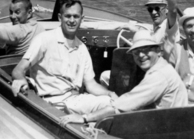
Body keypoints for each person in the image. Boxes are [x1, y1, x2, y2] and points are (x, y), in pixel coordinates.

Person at [11, 0, 116, 114]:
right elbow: (18, 70)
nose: (72, 20)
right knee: (111, 105)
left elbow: (91, 85)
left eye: (76, 16)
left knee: (113, 102)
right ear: (60, 18)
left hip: (76, 100)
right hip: (52, 103)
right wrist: (21, 81)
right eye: (68, 16)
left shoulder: (82, 49)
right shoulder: (44, 39)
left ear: (82, 19)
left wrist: (109, 93)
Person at [59, 30, 187, 125]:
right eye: (136, 52)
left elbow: (120, 106)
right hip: (169, 123)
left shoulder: (158, 76)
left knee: (80, 114)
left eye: (146, 49)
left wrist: (85, 118)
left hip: (163, 129)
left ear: (158, 50)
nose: (141, 55)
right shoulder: (162, 67)